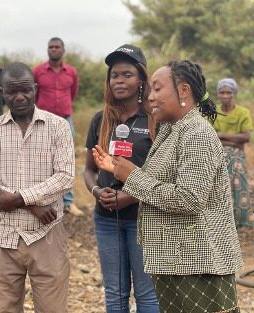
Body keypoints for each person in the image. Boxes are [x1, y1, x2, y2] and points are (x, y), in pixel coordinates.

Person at [93, 60, 243, 313]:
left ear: (184, 90)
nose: (150, 97)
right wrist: (119, 169)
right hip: (175, 261)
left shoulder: (196, 134)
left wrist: (132, 177)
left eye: (158, 89)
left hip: (198, 264)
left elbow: (189, 199)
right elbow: (160, 183)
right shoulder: (171, 130)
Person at [0, 62, 74, 313]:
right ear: (2, 93)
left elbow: (65, 178)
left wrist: (19, 199)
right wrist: (32, 205)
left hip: (47, 233)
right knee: (6, 309)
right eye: (12, 92)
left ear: (35, 89)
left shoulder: (58, 127)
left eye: (26, 90)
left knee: (53, 309)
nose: (19, 97)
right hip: (2, 237)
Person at [84, 44, 159, 313]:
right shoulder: (100, 120)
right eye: (114, 75)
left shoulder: (155, 119)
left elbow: (162, 174)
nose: (119, 80)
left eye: (127, 74)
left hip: (144, 218)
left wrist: (130, 195)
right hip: (106, 219)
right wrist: (96, 193)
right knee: (114, 293)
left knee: (147, 293)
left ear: (141, 80)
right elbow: (89, 170)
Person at [33, 37, 82, 216]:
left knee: (66, 160)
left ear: (63, 49)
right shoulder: (38, 71)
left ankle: (68, 202)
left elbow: (73, 93)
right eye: (51, 47)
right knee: (42, 159)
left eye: (57, 47)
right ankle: (44, 200)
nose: (54, 50)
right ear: (47, 50)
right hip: (43, 120)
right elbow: (33, 94)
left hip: (65, 120)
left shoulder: (71, 72)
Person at [213, 78, 253, 227]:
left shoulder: (243, 112)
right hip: (217, 154)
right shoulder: (213, 111)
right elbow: (210, 137)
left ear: (233, 93)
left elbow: (246, 137)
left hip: (237, 154)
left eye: (228, 92)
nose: (225, 96)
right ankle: (220, 220)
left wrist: (221, 135)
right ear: (218, 94)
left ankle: (240, 220)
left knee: (236, 175)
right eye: (222, 92)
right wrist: (234, 140)